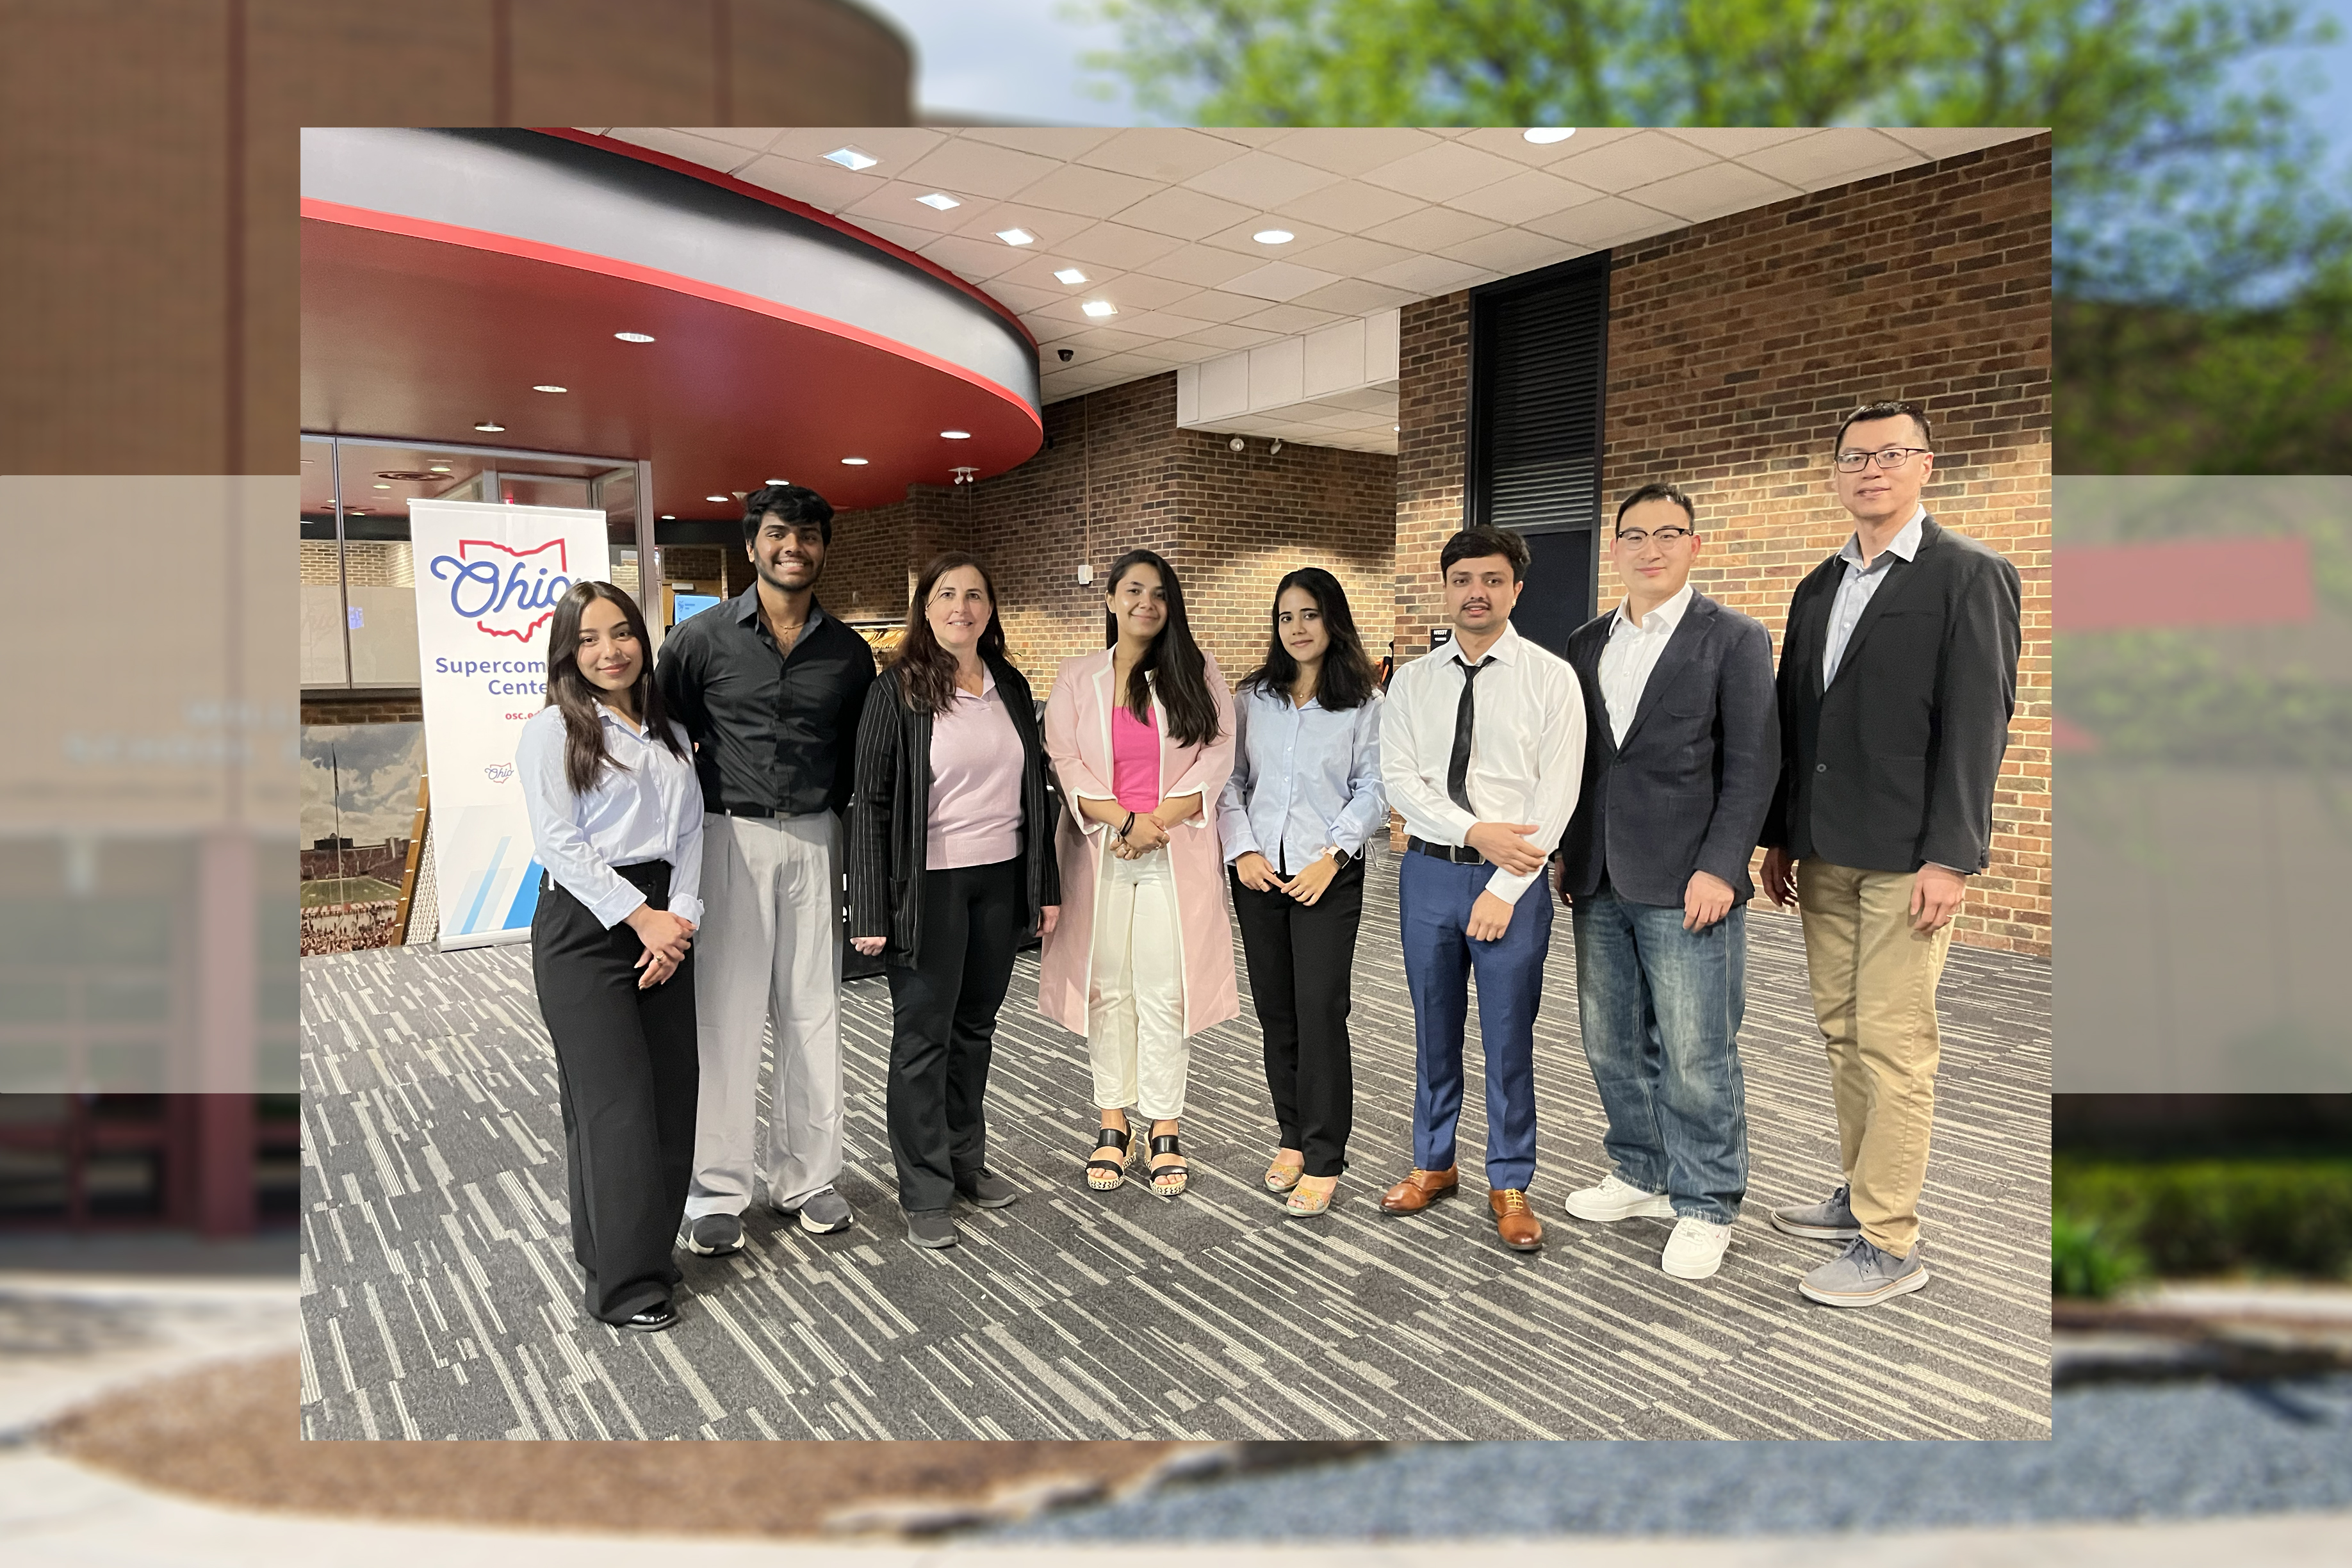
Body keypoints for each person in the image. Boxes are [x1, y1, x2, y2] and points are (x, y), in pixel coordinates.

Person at [1759, 400, 2022, 1308]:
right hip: (1825, 850)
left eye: (1889, 454)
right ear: (1836, 476)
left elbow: (1979, 725)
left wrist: (1954, 856)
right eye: (1853, 458)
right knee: (1842, 1037)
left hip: (1911, 858)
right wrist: (1782, 833)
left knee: (1896, 1043)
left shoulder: (1969, 575)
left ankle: (1891, 1241)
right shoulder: (1816, 586)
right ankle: (1861, 1192)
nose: (1870, 469)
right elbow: (1801, 720)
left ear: (1926, 467)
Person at [1555, 484, 1779, 1282]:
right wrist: (1563, 852)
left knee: (1696, 1050)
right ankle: (1642, 1171)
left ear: (1694, 544)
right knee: (1611, 1043)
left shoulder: (1735, 638)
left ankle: (1708, 1201)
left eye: (1669, 534)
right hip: (1599, 875)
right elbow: (1576, 762)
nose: (1651, 548)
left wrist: (1724, 866)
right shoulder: (1584, 643)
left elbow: (1754, 766)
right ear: (1614, 547)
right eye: (1635, 535)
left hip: (1690, 879)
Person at [655, 483, 876, 1255]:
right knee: (727, 1014)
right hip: (728, 837)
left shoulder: (849, 654)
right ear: (752, 545)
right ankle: (716, 1188)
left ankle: (808, 1178)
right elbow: (665, 743)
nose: (795, 547)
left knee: (813, 1011)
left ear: (823, 549)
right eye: (780, 534)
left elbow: (857, 760)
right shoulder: (700, 640)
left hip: (816, 836)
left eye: (810, 536)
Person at [846, 553, 1062, 1250]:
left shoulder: (1009, 685)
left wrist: (1044, 888)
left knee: (975, 1029)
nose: (961, 607)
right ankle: (925, 1187)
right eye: (946, 595)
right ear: (926, 608)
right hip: (928, 887)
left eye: (974, 595)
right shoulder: (898, 690)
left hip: (997, 882)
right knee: (922, 1038)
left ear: (990, 609)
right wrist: (871, 910)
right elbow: (870, 804)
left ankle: (967, 1162)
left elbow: (1036, 797)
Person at [1378, 527, 1584, 1252]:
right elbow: (1401, 780)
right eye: (1463, 579)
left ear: (1516, 589)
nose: (1477, 592)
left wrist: (1504, 882)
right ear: (1446, 588)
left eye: (1492, 580)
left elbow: (1558, 795)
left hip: (1515, 883)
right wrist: (1472, 833)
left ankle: (1510, 1179)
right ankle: (1434, 1161)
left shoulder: (1550, 678)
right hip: (1430, 872)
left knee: (1506, 1038)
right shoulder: (1412, 681)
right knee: (1432, 1028)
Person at [516, 582, 701, 1332]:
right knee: (613, 1102)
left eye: (621, 633)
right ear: (568, 651)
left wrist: (679, 920)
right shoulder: (552, 731)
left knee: (669, 1094)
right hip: (587, 924)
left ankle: (630, 1248)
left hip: (665, 916)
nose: (609, 651)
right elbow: (560, 842)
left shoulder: (671, 731)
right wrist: (642, 919)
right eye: (589, 639)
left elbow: (692, 836)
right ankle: (625, 1287)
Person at [1040, 549, 1237, 1200]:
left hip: (1171, 853)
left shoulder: (1198, 673)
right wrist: (1124, 822)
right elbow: (1065, 760)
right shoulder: (1079, 677)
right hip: (1102, 852)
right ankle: (1111, 1121)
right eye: (1132, 591)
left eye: (1158, 593)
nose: (1145, 603)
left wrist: (1156, 822)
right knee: (1107, 990)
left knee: (1165, 991)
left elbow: (1216, 759)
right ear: (1111, 600)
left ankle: (1165, 1128)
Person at [1217, 568, 1386, 1219]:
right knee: (1277, 1012)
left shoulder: (1365, 702)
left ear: (1332, 619)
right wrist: (1244, 850)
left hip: (1326, 875)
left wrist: (1333, 854)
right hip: (1259, 875)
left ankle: (1324, 1156)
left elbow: (1375, 786)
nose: (1296, 628)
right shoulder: (1251, 698)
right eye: (1286, 617)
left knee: (1319, 1011)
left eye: (1309, 614)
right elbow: (1230, 782)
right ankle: (1290, 1136)